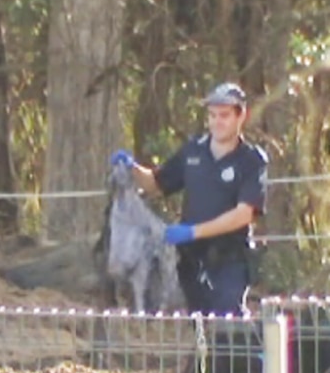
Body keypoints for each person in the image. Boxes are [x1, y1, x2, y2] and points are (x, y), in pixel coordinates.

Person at [110, 82, 269, 316]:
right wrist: (132, 168)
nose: (217, 122)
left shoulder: (251, 160)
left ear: (240, 116)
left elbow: (244, 214)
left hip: (229, 259)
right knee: (198, 325)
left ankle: (248, 353)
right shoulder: (193, 151)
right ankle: (203, 355)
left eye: (224, 115)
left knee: (227, 325)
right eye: (212, 115)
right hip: (191, 260)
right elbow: (156, 183)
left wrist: (193, 231)